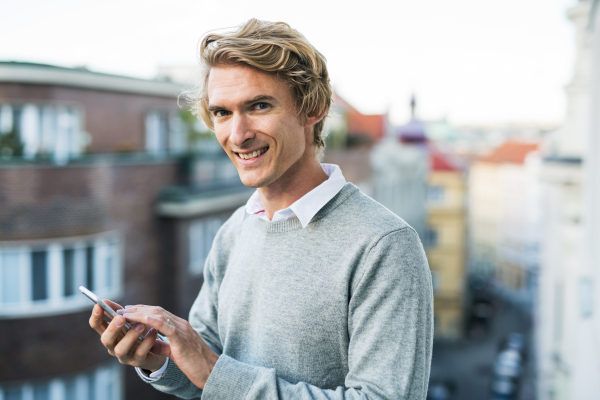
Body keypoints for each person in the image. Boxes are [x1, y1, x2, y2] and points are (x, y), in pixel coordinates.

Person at [89, 18, 434, 399]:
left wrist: (211, 368)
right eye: (222, 112)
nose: (238, 135)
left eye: (259, 106)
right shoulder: (235, 231)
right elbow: (212, 376)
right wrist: (160, 358)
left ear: (313, 108)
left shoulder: (384, 245)